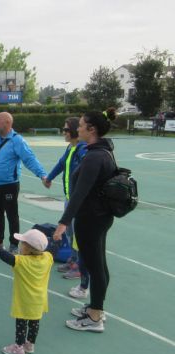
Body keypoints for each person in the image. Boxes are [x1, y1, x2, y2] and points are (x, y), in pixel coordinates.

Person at [53, 108, 118, 333]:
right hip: (99, 217)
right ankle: (95, 308)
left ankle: (94, 317)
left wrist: (63, 223)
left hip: (91, 219)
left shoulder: (94, 156)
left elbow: (79, 193)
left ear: (91, 129)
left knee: (95, 266)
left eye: (80, 125)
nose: (77, 128)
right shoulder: (103, 151)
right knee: (98, 264)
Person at [0, 112, 47, 254]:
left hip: (10, 185)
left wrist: (42, 174)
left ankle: (14, 244)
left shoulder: (17, 140)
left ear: (7, 123)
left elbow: (29, 159)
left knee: (11, 215)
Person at [0, 229, 53, 354]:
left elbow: (6, 257)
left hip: (25, 300)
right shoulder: (48, 258)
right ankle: (30, 344)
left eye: (22, 243)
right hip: (39, 300)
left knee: (21, 323)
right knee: (34, 323)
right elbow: (50, 251)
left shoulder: (21, 262)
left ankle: (18, 347)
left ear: (28, 249)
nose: (20, 245)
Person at [43, 117, 89, 298]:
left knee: (77, 234)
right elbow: (61, 164)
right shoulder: (70, 148)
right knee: (69, 232)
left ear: (74, 131)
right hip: (69, 197)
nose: (63, 133)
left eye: (65, 130)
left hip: (78, 200)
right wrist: (49, 177)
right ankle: (73, 259)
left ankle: (79, 266)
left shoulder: (82, 149)